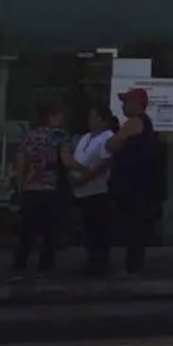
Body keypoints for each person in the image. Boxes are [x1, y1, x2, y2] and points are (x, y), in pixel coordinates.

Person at [10, 102, 69, 281]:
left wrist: (20, 187)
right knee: (50, 232)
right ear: (52, 116)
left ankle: (19, 267)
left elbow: (20, 164)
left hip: (31, 189)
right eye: (60, 116)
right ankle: (44, 268)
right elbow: (66, 160)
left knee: (27, 232)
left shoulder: (29, 136)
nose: (62, 119)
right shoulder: (59, 136)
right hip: (51, 189)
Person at [107, 88, 160, 277]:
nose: (123, 106)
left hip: (133, 184)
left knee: (133, 226)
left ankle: (133, 268)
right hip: (138, 183)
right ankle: (133, 266)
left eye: (126, 102)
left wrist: (116, 139)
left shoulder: (134, 122)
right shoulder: (145, 125)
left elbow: (111, 144)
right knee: (135, 225)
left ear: (138, 105)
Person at [64, 103, 117, 277]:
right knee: (87, 229)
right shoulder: (86, 137)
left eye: (94, 117)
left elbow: (104, 164)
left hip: (97, 190)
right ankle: (90, 262)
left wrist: (85, 176)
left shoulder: (108, 137)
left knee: (98, 230)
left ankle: (99, 264)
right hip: (81, 190)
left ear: (102, 119)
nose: (90, 120)